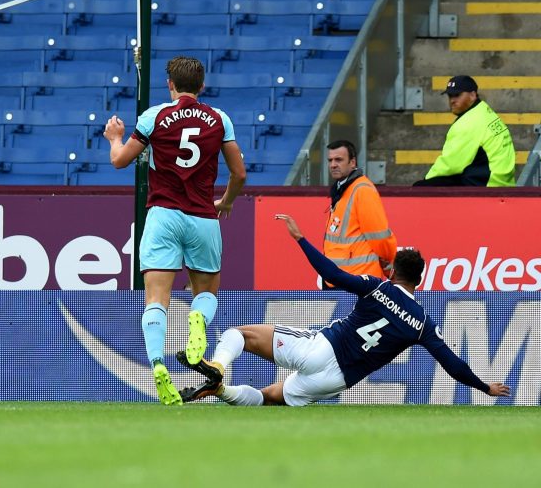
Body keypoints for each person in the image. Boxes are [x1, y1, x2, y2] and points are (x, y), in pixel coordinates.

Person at [176, 214, 510, 406]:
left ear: (392, 270)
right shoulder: (422, 323)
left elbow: (333, 275)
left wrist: (300, 238)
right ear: (420, 279)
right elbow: (451, 364)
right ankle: (219, 390)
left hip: (323, 349)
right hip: (338, 380)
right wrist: (485, 388)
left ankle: (217, 366)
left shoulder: (378, 285)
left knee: (241, 334)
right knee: (270, 398)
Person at [103, 56, 246, 405]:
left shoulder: (154, 117)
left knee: (155, 299)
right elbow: (239, 174)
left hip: (163, 215)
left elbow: (120, 161)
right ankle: (197, 321)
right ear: (201, 85)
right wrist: (225, 201)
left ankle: (156, 364)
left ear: (170, 84)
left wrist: (115, 138)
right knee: (207, 290)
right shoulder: (219, 119)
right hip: (202, 217)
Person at [413, 75, 515, 187]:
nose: (452, 100)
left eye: (457, 95)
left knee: (422, 187)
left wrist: (424, 182)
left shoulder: (468, 123)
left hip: (488, 185)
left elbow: (450, 164)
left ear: (472, 95)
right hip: (503, 181)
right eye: (450, 96)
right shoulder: (484, 110)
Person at [323, 139, 396, 287]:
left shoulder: (362, 190)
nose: (333, 165)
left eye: (339, 160)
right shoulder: (342, 188)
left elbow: (380, 237)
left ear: (352, 162)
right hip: (338, 278)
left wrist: (391, 268)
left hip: (358, 279)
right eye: (330, 160)